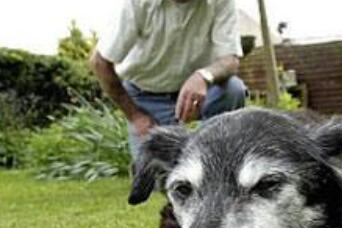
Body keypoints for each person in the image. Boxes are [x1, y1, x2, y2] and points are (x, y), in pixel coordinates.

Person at [90, 0, 247, 159]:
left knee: (233, 89)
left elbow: (230, 60)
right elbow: (99, 63)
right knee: (152, 170)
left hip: (200, 95)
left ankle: (216, 153)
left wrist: (203, 76)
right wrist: (136, 116)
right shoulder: (137, 3)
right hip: (146, 99)